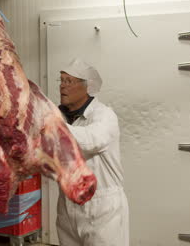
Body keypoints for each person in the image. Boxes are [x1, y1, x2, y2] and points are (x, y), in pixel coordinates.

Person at [56, 58, 129, 246]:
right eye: (61, 80)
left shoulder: (105, 115)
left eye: (69, 81)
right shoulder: (60, 116)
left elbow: (91, 141)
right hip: (67, 207)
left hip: (103, 209)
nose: (62, 86)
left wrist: (50, 123)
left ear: (87, 87)